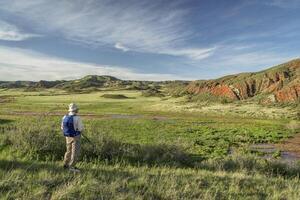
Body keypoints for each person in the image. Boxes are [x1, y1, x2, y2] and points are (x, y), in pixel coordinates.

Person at [61, 103, 83, 172]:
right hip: (75, 136)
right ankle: (72, 167)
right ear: (76, 110)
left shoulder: (64, 117)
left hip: (67, 136)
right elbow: (80, 128)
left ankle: (66, 164)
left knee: (68, 150)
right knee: (75, 152)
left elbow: (62, 127)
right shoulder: (77, 118)